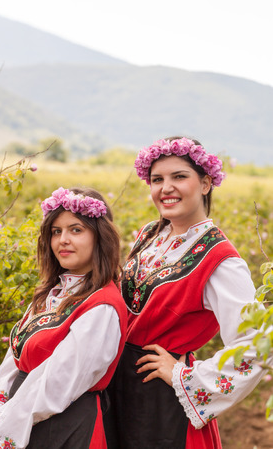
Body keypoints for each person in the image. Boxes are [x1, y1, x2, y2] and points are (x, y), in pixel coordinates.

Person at [104, 136, 270, 449]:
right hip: (117, 387)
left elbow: (259, 342)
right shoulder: (151, 234)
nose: (166, 188)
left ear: (206, 183)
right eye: (157, 179)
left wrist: (183, 376)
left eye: (179, 176)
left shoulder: (222, 261)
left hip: (161, 403)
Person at [0, 186, 127, 449]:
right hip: (20, 419)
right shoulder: (53, 293)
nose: (62, 240)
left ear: (100, 237)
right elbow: (15, 357)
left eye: (76, 230)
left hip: (64, 426)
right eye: (56, 231)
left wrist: (1, 435)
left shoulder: (102, 306)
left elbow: (58, 382)